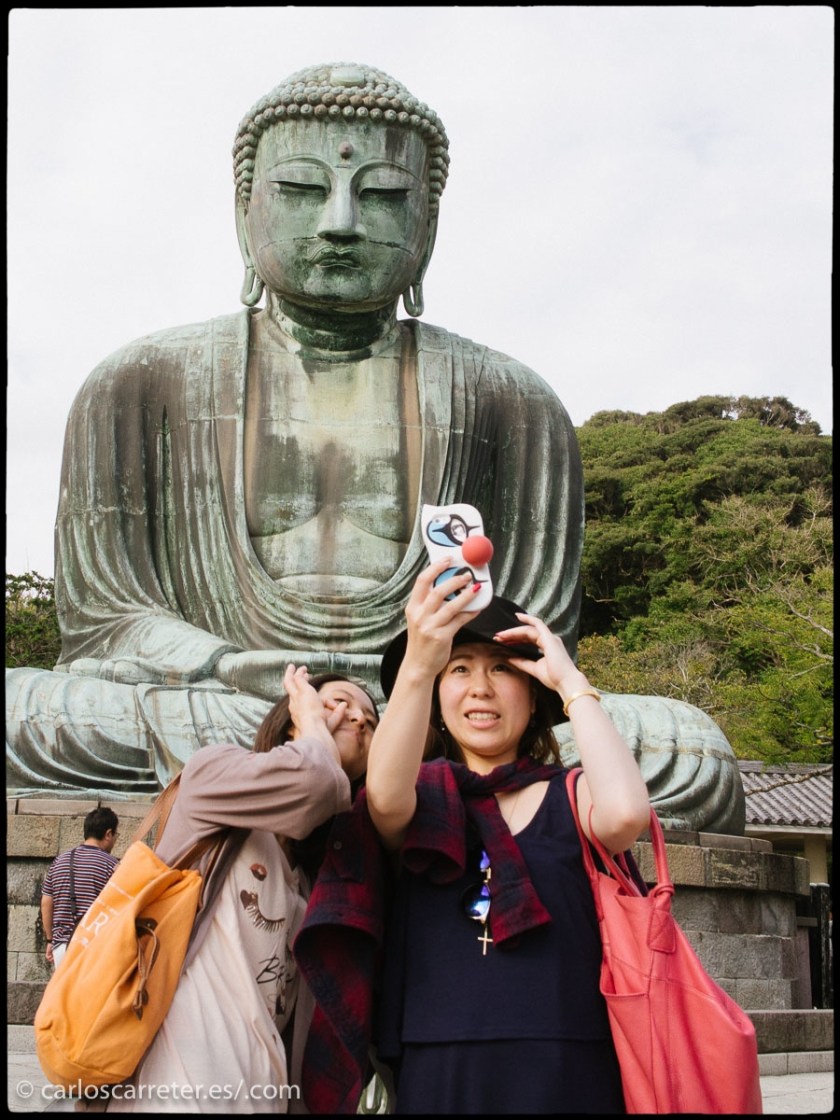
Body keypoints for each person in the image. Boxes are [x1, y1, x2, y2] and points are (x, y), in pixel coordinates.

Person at [5, 61, 745, 837]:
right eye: (301, 188)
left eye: (384, 195)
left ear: (427, 225)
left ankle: (359, 753)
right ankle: (366, 756)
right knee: (25, 711)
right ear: (243, 211)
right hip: (228, 698)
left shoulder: (512, 400)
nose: (340, 222)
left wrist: (424, 675)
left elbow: (532, 635)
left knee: (686, 749)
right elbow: (107, 620)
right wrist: (229, 664)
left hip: (438, 706)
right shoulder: (139, 382)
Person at [294, 559, 651, 1114]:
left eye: (501, 669)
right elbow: (384, 796)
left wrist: (572, 684)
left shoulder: (573, 793)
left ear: (532, 694)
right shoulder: (421, 797)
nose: (480, 689)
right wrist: (420, 657)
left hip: (569, 1052)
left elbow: (626, 815)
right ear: (436, 698)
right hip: (437, 1055)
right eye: (459, 669)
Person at [106, 666, 378, 1114]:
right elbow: (314, 784)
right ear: (293, 716)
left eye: (371, 718)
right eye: (341, 702)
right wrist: (312, 722)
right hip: (178, 1084)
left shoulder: (318, 875)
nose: (360, 718)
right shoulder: (213, 774)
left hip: (261, 1088)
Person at [40, 807, 119, 969]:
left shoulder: (59, 862)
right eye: (115, 836)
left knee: (65, 986)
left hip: (61, 948)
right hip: (94, 946)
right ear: (108, 834)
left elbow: (46, 903)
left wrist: (50, 940)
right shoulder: (111, 865)